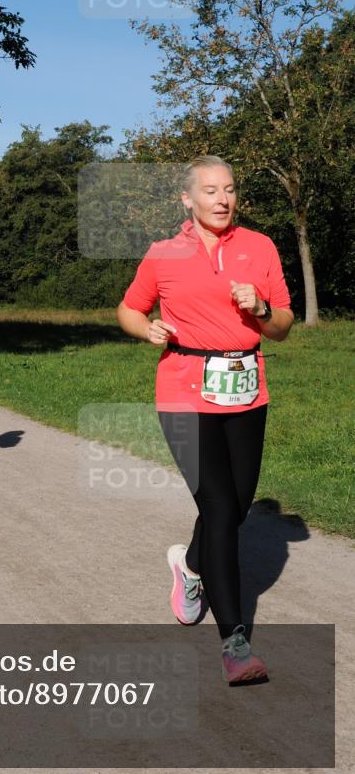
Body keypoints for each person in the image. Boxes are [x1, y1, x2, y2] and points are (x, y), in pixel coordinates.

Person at [117, 155, 294, 684]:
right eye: (211, 191)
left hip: (246, 390)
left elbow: (282, 325)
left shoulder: (259, 246)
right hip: (183, 390)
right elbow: (128, 307)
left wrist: (261, 308)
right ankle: (234, 644)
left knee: (236, 508)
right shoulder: (163, 254)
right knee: (218, 507)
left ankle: (190, 565)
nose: (222, 199)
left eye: (230, 190)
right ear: (187, 199)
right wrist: (144, 329)